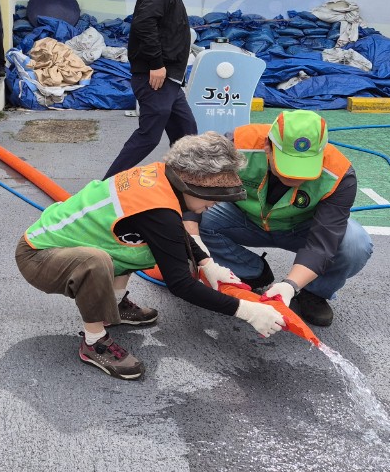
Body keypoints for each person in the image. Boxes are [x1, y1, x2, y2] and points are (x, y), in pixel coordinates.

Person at [16, 132, 287, 380]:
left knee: (137, 247)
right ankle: (94, 341)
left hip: (67, 246)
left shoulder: (160, 178)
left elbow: (170, 234)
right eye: (214, 195)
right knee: (96, 261)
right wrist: (246, 311)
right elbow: (181, 284)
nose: (215, 203)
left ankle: (116, 305)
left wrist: (207, 263)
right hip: (39, 256)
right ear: (192, 184)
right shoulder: (158, 211)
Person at [198, 110, 373, 327]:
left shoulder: (339, 175)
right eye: (287, 166)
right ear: (268, 148)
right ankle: (252, 272)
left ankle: (313, 292)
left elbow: (323, 243)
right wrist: (198, 252)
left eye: (304, 169)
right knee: (196, 219)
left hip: (301, 229)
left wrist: (290, 285)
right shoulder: (237, 146)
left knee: (355, 243)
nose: (295, 176)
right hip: (244, 219)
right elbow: (192, 191)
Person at [104, 0, 202, 178]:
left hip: (170, 79)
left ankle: (184, 186)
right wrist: (156, 65)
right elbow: (144, 23)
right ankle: (106, 187)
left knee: (186, 133)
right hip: (157, 77)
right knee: (149, 136)